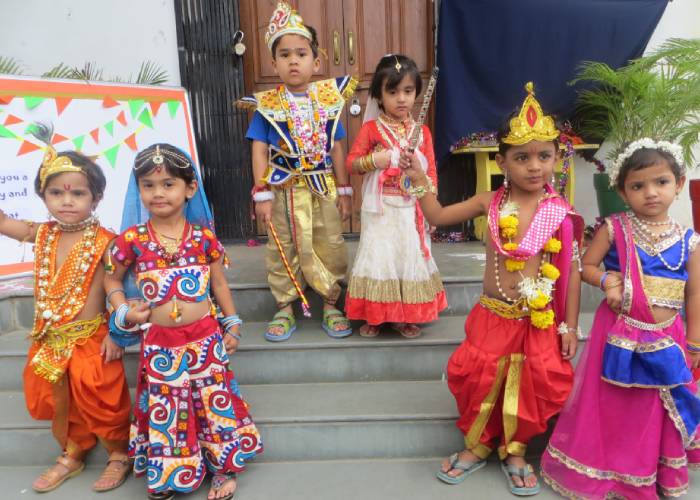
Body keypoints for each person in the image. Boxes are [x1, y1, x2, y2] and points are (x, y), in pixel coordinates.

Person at [402, 83, 583, 496]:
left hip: (537, 321)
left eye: (544, 156)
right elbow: (438, 213)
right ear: (502, 161)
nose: (534, 166)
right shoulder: (491, 201)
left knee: (532, 385)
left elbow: (570, 273)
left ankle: (516, 451)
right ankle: (478, 445)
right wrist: (418, 179)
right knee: (480, 380)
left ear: (557, 158)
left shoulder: (560, 213)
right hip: (492, 314)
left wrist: (569, 326)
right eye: (522, 157)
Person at [541, 139, 700, 499]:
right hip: (618, 334)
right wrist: (606, 279)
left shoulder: (690, 241)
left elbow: (695, 294)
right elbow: (586, 266)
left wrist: (694, 342)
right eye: (637, 186)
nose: (650, 193)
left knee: (656, 408)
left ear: (678, 183)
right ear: (622, 192)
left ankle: (650, 471)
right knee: (618, 407)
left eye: (660, 182)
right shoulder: (615, 228)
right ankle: (612, 472)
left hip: (668, 337)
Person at [104, 144, 263, 500]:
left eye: (168, 184)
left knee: (213, 402)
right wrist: (122, 311)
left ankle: (223, 468)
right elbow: (111, 279)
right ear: (138, 190)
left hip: (206, 336)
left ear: (190, 188)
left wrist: (232, 324)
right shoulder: (131, 240)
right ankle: (171, 471)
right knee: (168, 405)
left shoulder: (204, 238)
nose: (158, 193)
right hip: (160, 342)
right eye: (148, 185)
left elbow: (219, 283)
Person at [0, 124, 131, 493]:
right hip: (50, 340)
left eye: (77, 192)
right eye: (56, 192)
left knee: (105, 400)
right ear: (44, 197)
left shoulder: (109, 242)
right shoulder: (40, 233)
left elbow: (119, 286)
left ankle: (119, 452)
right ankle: (72, 452)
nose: (66, 200)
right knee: (60, 402)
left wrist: (120, 334)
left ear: (96, 197)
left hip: (93, 339)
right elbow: (4, 223)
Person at [240, 1, 356, 341]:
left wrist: (346, 189)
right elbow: (259, 148)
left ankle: (331, 301)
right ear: (274, 63)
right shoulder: (266, 105)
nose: (294, 60)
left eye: (302, 53)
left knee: (329, 241)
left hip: (322, 186)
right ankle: (285, 306)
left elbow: (336, 146)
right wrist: (261, 192)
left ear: (316, 61)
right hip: (282, 188)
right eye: (286, 54)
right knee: (283, 244)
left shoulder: (329, 99)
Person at [344, 54, 446, 338]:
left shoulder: (421, 132)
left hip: (411, 207)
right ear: (378, 95)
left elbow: (432, 173)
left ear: (416, 94)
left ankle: (406, 315)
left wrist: (432, 209)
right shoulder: (371, 129)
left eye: (408, 91)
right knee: (380, 257)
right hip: (381, 211)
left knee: (407, 256)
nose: (401, 99)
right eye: (392, 91)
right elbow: (351, 164)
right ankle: (375, 315)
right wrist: (381, 159)